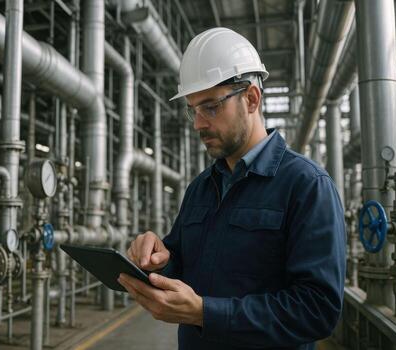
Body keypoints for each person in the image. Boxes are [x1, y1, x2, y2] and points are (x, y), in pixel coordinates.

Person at [117, 27, 346, 349]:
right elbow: (181, 261)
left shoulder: (307, 185)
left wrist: (205, 313)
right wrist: (159, 259)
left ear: (251, 99)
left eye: (210, 107)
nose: (198, 123)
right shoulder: (201, 187)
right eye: (193, 110)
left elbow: (318, 311)